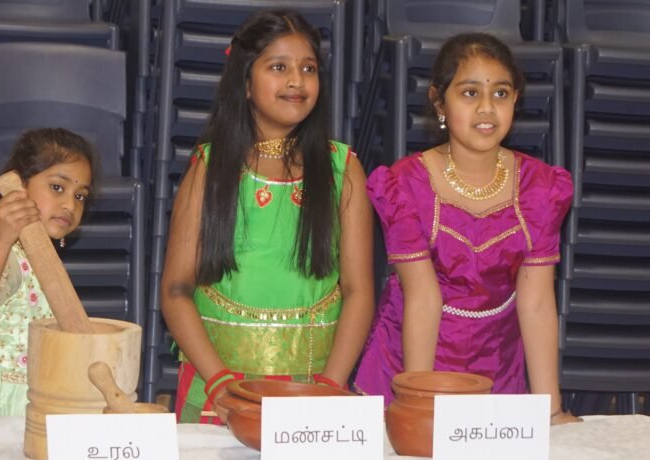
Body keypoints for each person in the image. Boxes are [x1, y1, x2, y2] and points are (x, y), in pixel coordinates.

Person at [353, 33, 580, 425]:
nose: (487, 108)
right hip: (407, 370)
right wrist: (418, 409)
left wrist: (551, 411)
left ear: (515, 101)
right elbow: (423, 299)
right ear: (439, 102)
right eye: (470, 93)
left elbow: (537, 303)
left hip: (496, 371)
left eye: (501, 94)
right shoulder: (406, 185)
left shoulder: (540, 188)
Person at [161, 9, 374, 424]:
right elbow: (175, 290)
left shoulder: (342, 167)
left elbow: (359, 291)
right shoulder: (210, 167)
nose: (297, 81)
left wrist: (330, 386)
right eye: (279, 67)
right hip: (218, 389)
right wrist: (219, 383)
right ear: (245, 82)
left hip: (314, 388)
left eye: (308, 68)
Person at [0, 128, 98, 416]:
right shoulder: (6, 256)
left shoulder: (40, 258)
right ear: (20, 186)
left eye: (80, 196)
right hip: (11, 419)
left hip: (45, 408)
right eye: (57, 187)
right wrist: (1, 240)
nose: (70, 204)